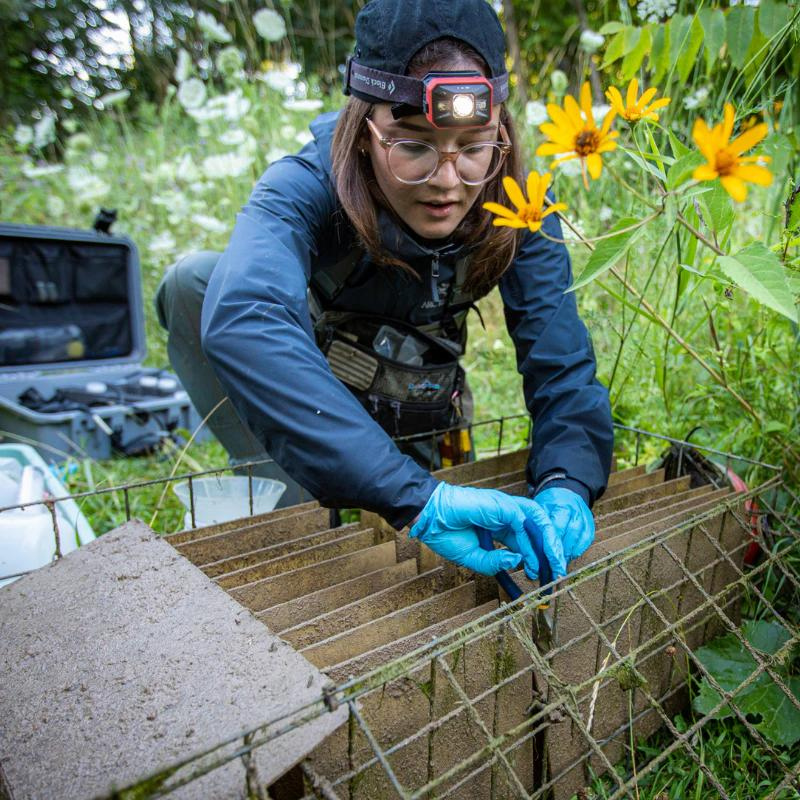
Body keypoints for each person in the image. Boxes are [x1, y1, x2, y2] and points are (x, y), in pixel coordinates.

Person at [156, 0, 613, 582]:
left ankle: (395, 484)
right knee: (196, 282)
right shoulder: (306, 181)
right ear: (365, 130)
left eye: (473, 147)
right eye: (413, 145)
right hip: (311, 389)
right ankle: (285, 490)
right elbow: (245, 314)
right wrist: (414, 499)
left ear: (501, 130)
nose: (447, 181)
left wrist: (567, 481)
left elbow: (561, 362)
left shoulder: (522, 204)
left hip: (418, 396)